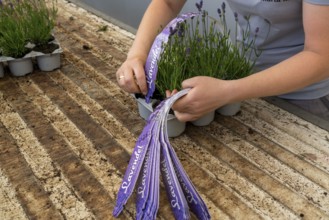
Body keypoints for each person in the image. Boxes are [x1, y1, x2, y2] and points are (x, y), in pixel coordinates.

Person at [116, 0, 329, 122]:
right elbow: (168, 3)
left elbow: (321, 56)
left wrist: (228, 91)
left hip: (303, 96)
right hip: (242, 76)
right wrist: (137, 55)